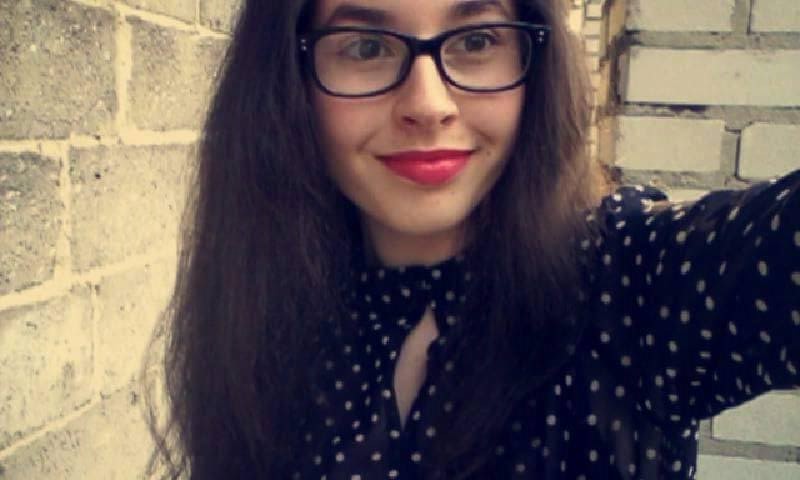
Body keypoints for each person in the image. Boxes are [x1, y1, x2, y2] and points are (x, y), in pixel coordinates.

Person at [143, 0, 800, 478]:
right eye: (367, 47)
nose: (428, 104)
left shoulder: (632, 284)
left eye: (477, 39)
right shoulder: (267, 312)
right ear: (288, 80)